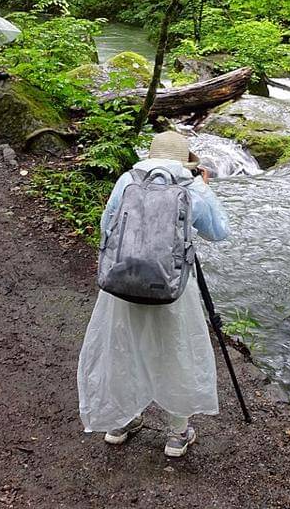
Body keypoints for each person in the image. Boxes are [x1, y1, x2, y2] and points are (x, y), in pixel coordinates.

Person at [77, 131, 230, 459]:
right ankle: (177, 434)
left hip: (123, 281)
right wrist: (204, 187)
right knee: (174, 350)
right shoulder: (191, 188)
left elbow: (107, 227)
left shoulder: (126, 181)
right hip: (172, 287)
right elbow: (220, 232)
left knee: (123, 346)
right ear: (184, 162)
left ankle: (120, 423)